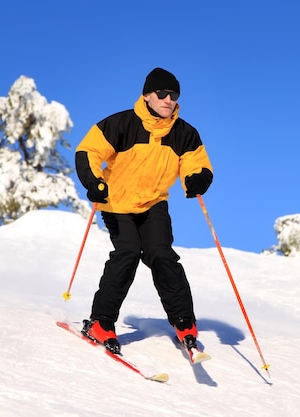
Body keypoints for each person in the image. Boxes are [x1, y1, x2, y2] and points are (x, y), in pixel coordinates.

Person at [75, 67, 213, 354]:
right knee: (128, 252)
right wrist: (95, 182)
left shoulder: (184, 133)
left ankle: (184, 322)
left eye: (173, 95)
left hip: (153, 203)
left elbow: (196, 162)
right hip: (118, 203)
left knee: (162, 255)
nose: (168, 99)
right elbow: (88, 151)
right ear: (147, 95)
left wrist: (197, 177)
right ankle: (101, 323)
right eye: (162, 93)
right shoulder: (121, 124)